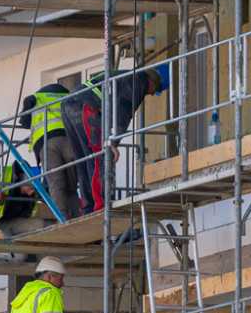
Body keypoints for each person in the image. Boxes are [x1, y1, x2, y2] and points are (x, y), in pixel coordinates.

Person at [60, 63, 170, 215]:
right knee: (99, 157)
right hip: (86, 107)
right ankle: (100, 206)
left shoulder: (125, 77)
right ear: (153, 81)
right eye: (155, 90)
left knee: (84, 159)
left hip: (69, 104)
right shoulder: (139, 81)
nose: (151, 94)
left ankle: (88, 206)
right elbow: (123, 112)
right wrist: (112, 143)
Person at [24, 83, 81, 220]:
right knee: (72, 185)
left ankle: (62, 219)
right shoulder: (70, 96)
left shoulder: (36, 98)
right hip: (71, 141)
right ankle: (76, 216)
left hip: (48, 143)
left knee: (56, 184)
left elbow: (25, 122)